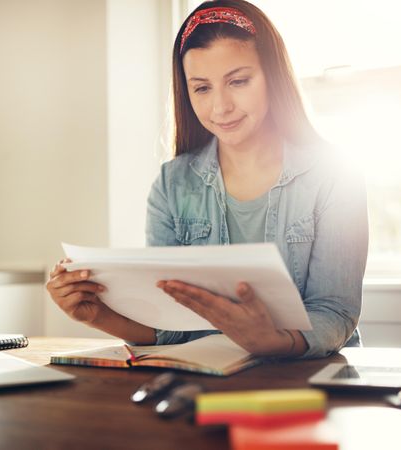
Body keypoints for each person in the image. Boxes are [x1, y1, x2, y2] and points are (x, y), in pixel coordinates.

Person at [46, 0, 368, 359]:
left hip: (312, 377)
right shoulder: (172, 184)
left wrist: (273, 341)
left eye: (239, 81)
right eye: (202, 88)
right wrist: (97, 315)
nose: (220, 107)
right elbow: (176, 329)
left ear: (272, 77)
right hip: (211, 376)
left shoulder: (335, 175)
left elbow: (336, 313)